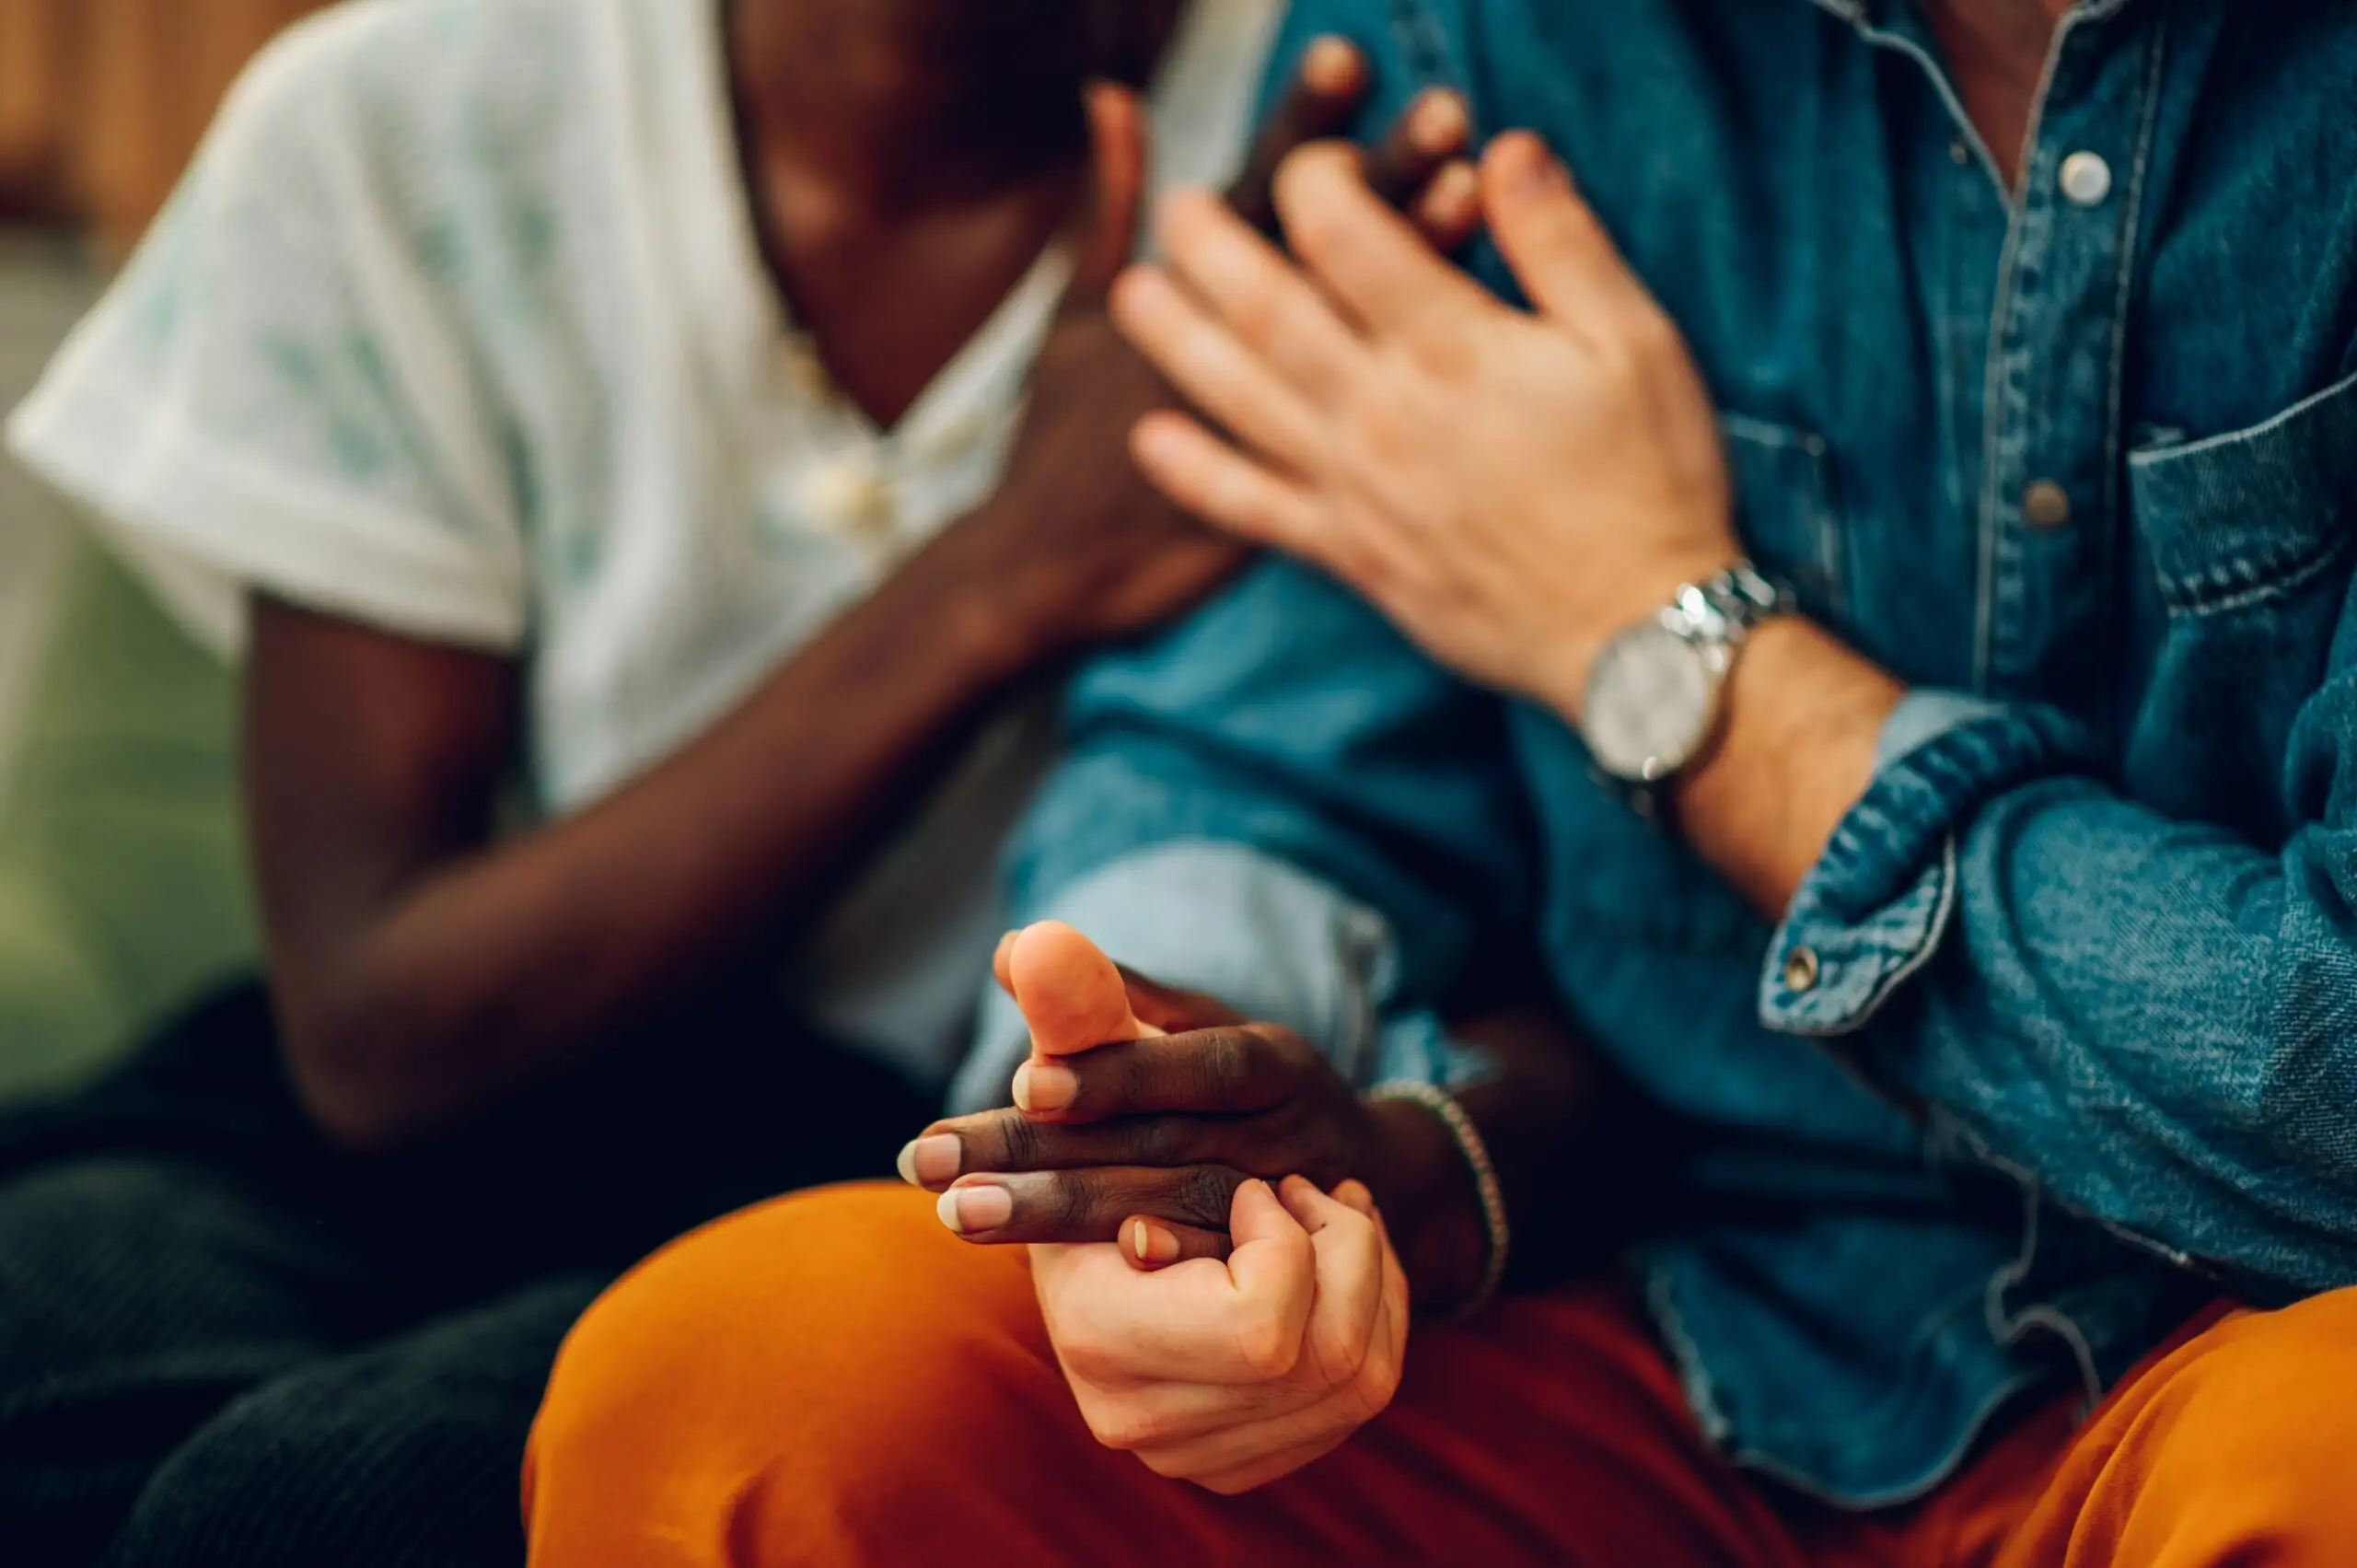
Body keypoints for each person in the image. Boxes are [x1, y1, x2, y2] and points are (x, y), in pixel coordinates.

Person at [522, 0, 2357, 1563]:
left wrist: (1666, 648)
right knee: (749, 1390)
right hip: (1656, 1310)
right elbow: (1259, 754)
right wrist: (1166, 1141)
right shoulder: (1471, 32)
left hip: (2248, 1337)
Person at [0, 0, 1473, 1562]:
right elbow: (374, 1037)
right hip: (488, 1066)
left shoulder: (1357, 116)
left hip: (928, 1151)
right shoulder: (405, 125)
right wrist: (1005, 570)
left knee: (326, 1500)